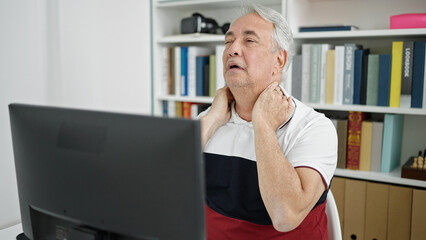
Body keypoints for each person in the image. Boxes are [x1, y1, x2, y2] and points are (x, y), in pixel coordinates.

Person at [199, 3, 338, 240]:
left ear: (279, 61)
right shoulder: (207, 120)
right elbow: (165, 191)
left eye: (249, 41)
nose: (232, 49)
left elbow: (285, 216)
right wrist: (211, 119)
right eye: (228, 41)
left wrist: (262, 123)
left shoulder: (315, 128)